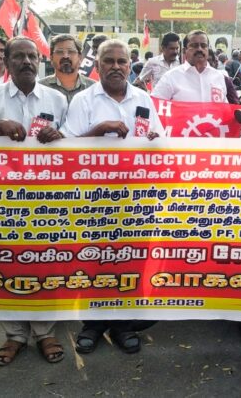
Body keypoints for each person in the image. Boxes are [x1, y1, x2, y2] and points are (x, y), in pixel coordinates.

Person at [0, 36, 67, 366]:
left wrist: (59, 135)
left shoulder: (57, 99)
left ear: (40, 61)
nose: (26, 62)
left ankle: (45, 332)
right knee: (5, 262)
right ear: (6, 62)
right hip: (3, 197)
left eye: (31, 56)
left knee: (45, 262)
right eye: (19, 57)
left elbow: (73, 146)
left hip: (47, 197)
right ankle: (14, 335)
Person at [59, 39, 161, 354]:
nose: (116, 67)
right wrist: (99, 129)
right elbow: (67, 149)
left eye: (122, 61)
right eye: (109, 61)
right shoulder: (83, 100)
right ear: (98, 65)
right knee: (94, 260)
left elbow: (160, 140)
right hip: (95, 200)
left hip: (136, 197)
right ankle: (92, 324)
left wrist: (154, 139)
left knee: (130, 260)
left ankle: (123, 325)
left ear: (130, 66)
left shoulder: (143, 98)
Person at [151, 30, 227, 103]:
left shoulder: (218, 77)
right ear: (184, 50)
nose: (199, 49)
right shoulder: (171, 77)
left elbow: (224, 108)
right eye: (194, 46)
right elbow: (154, 105)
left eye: (203, 46)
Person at [38, 34, 94, 103]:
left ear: (80, 58)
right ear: (51, 58)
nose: (65, 56)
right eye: (60, 52)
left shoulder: (93, 89)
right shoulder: (39, 88)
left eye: (71, 51)